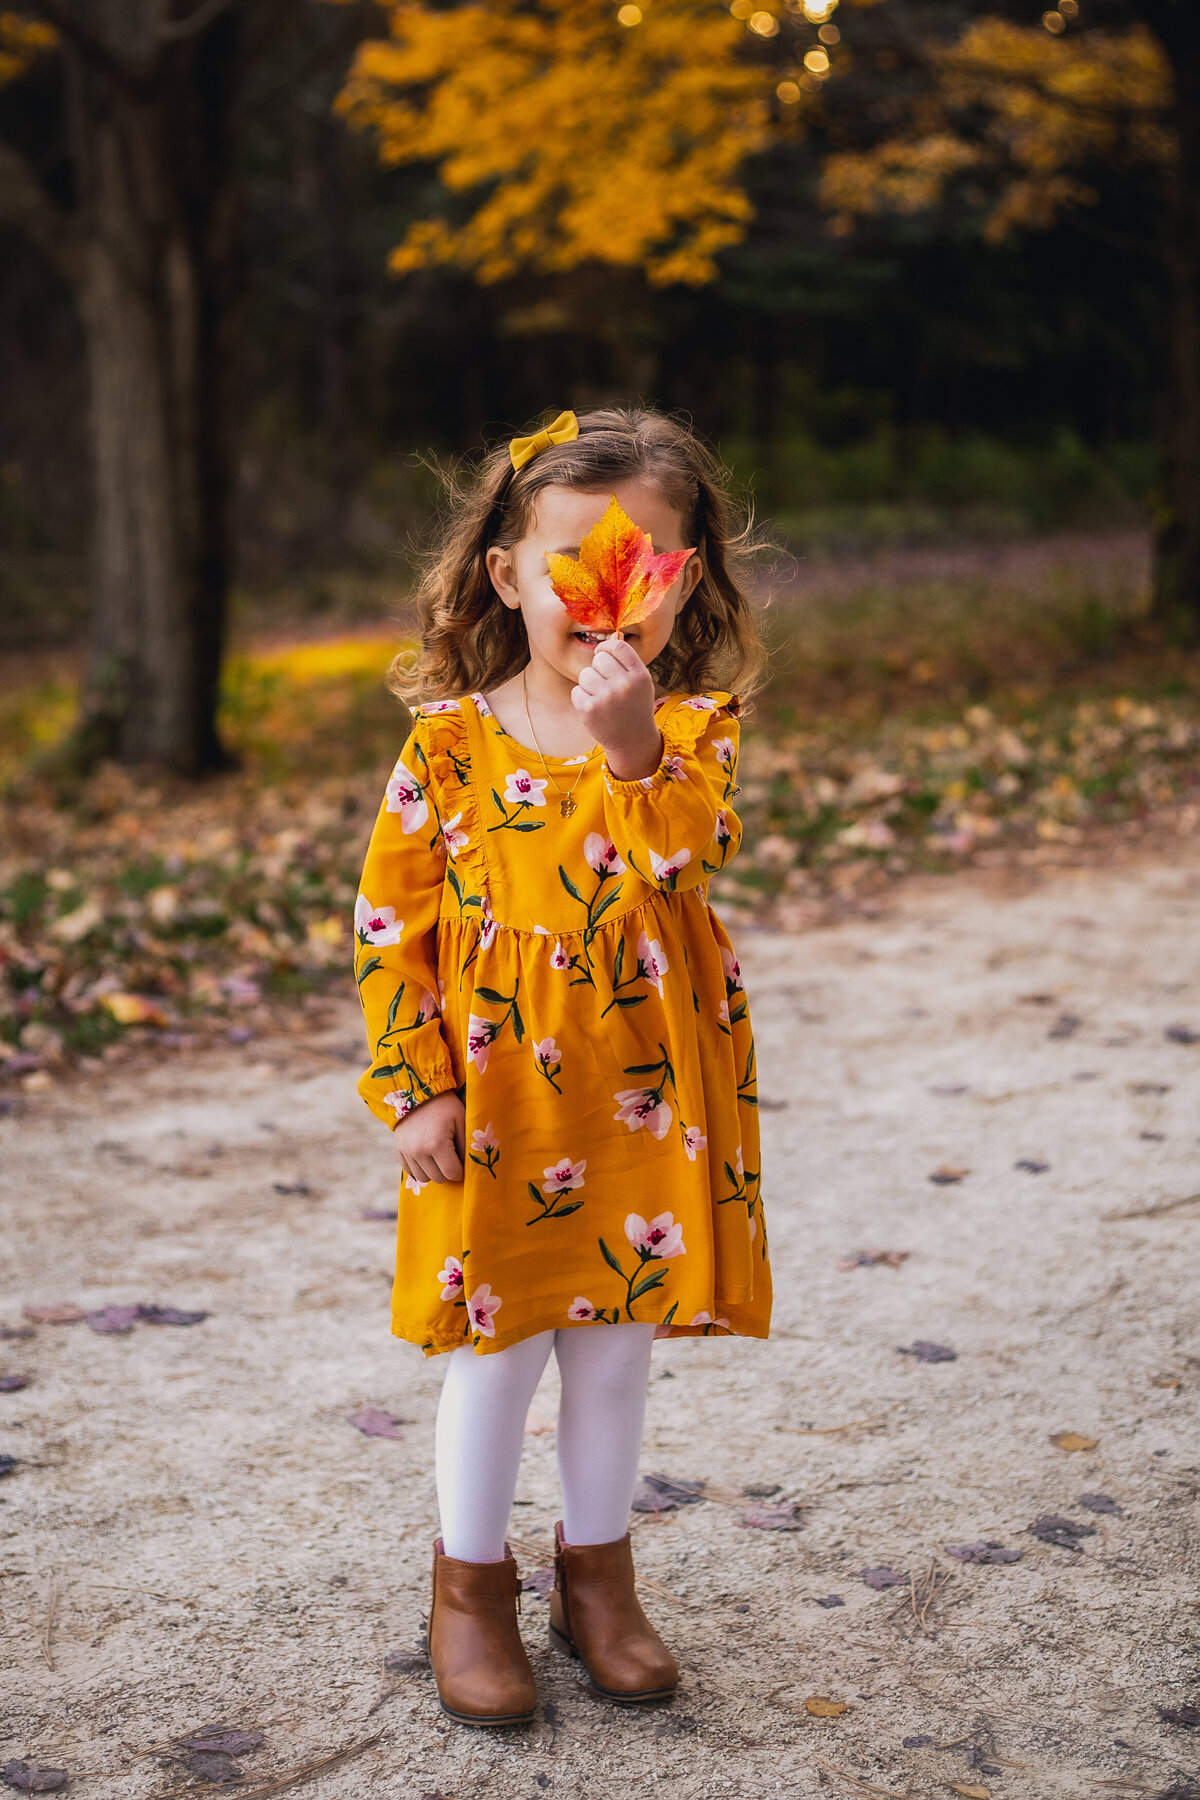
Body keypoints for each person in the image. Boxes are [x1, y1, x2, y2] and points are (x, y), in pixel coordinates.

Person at [353, 405, 772, 1727]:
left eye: (642, 569)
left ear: (686, 579)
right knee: (501, 1347)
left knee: (616, 1345)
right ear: (506, 575)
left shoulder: (688, 733)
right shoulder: (448, 746)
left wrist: (632, 741)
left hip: (641, 1096)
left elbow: (675, 854)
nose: (607, 601)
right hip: (500, 1107)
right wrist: (411, 1083)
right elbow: (389, 926)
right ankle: (467, 1589)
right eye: (572, 568)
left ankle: (599, 1577)